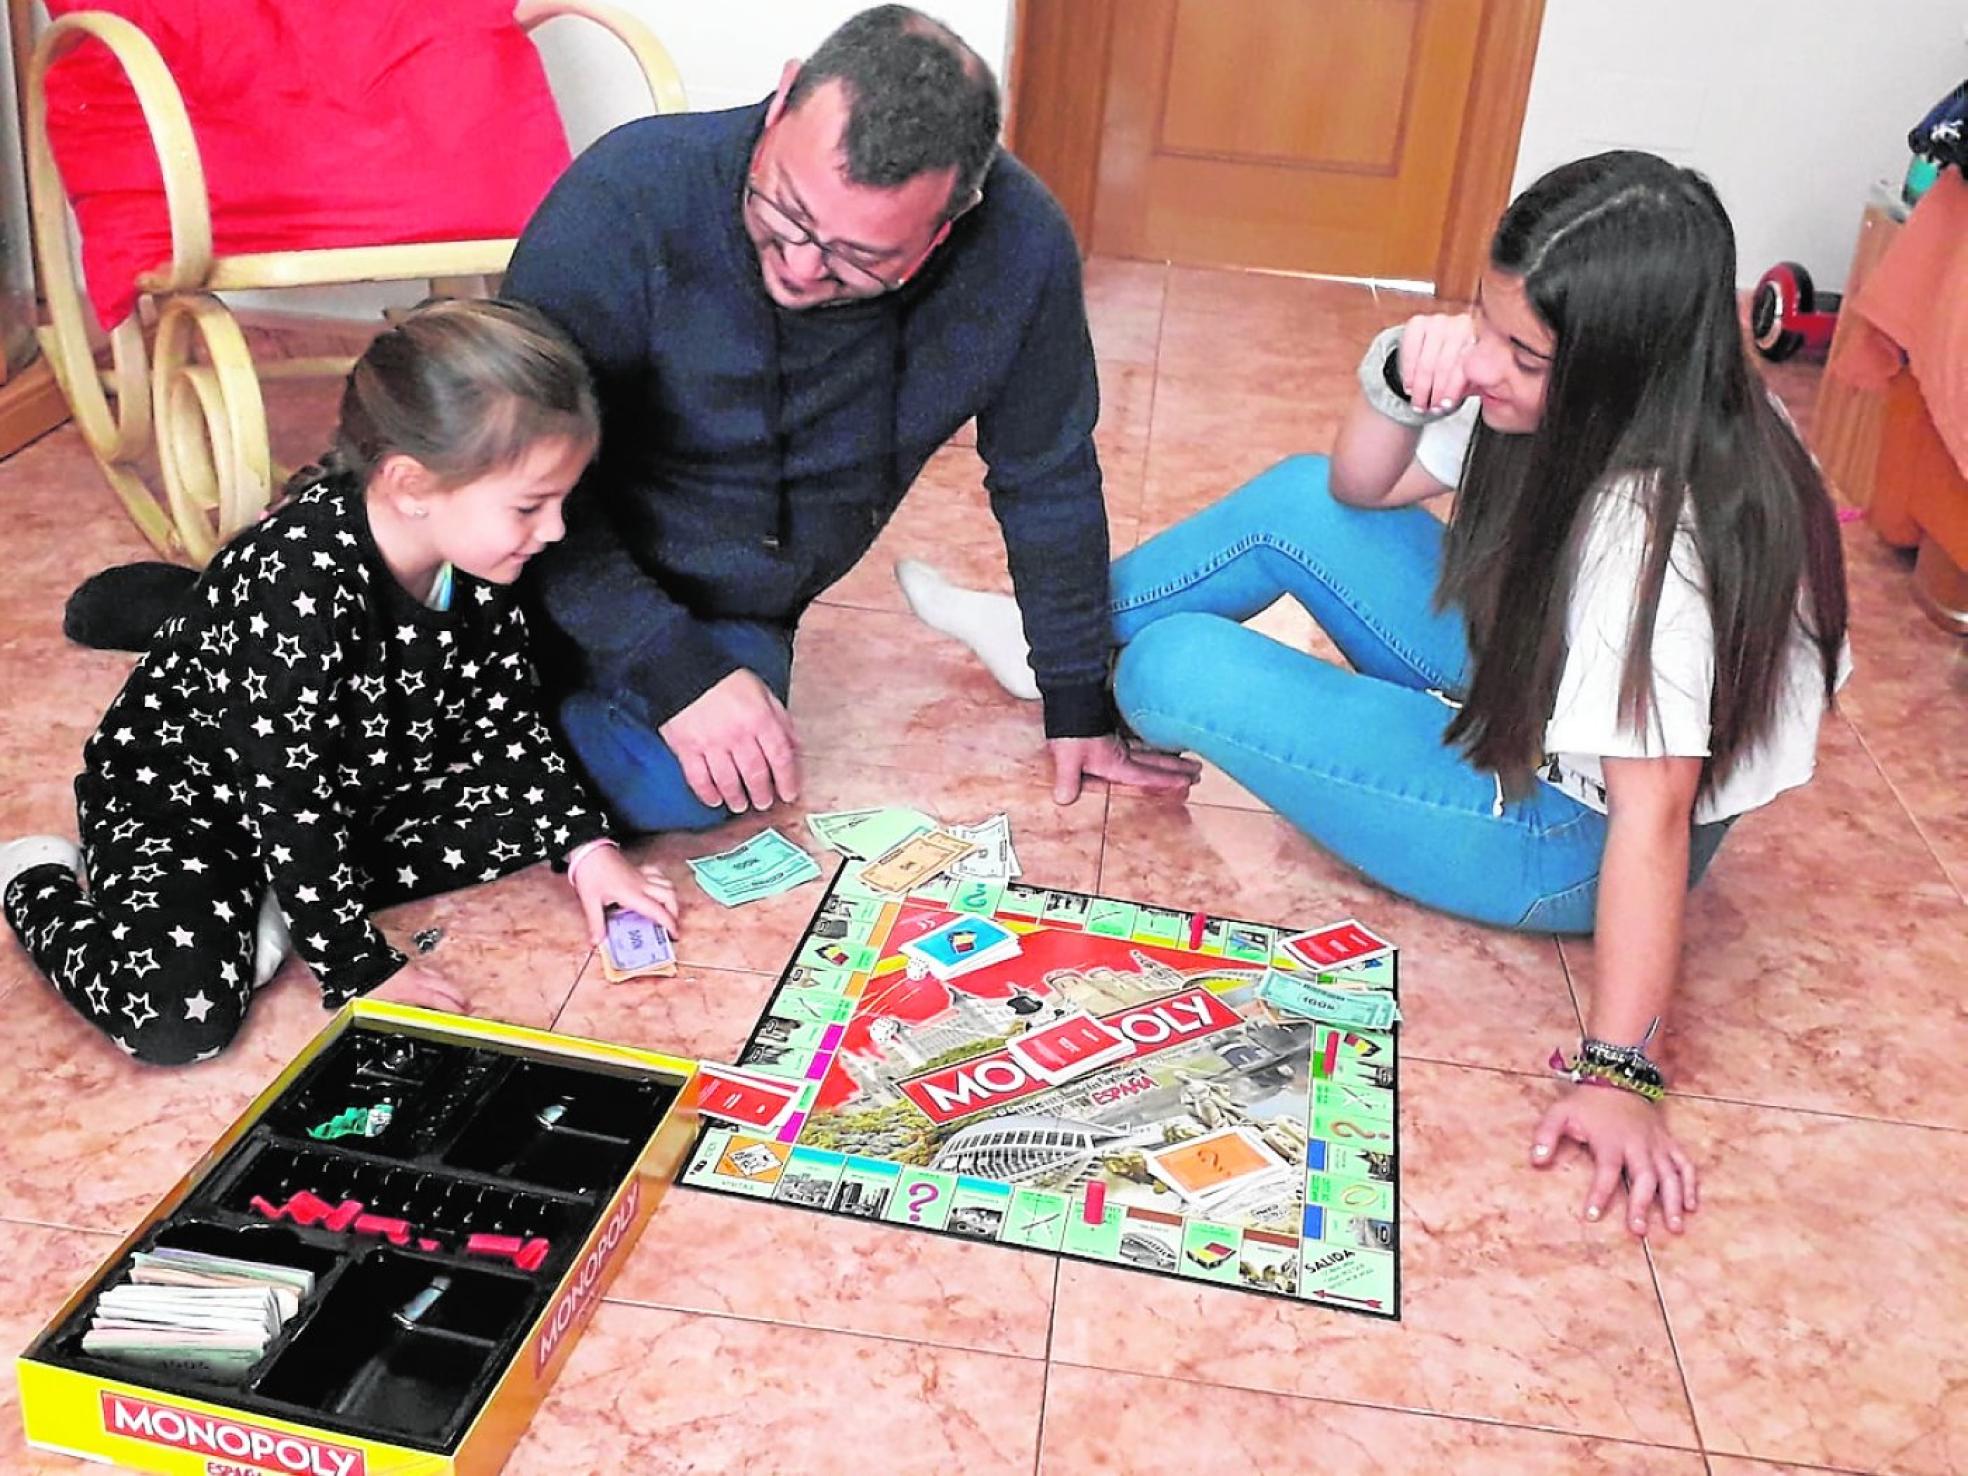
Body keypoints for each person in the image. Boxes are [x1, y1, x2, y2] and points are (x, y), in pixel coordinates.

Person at [901, 152, 1851, 1236]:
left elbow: (1653, 818)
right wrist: (1402, 372)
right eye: (1486, 320)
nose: (1488, 363)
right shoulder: (1586, 390)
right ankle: (1053, 646)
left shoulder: (1655, 539)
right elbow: (1360, 489)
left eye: (1521, 355)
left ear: (1623, 372)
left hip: (1565, 838)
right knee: (1301, 496)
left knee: (1172, 667)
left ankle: (1080, 653)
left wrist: (1622, 1073)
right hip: (1537, 688)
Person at [502, 4, 1196, 833]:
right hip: (538, 548)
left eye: (857, 260)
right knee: (397, 696)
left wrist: (1077, 700)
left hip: (734, 603)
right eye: (783, 210)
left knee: (691, 787)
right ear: (784, 95)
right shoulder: (629, 195)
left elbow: (1047, 476)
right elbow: (508, 467)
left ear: (951, 221)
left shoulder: (1019, 249)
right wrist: (667, 665)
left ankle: (510, 758)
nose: (800, 267)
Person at [0, 300, 678, 1066]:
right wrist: (357, 964)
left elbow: (505, 721)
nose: (555, 531)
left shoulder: (481, 560)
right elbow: (287, 792)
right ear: (411, 483)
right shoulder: (297, 581)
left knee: (563, 814)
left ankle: (288, 905)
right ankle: (35, 878)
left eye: (560, 502)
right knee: (175, 1022)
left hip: (346, 790)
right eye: (530, 506)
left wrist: (588, 850)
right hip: (193, 801)